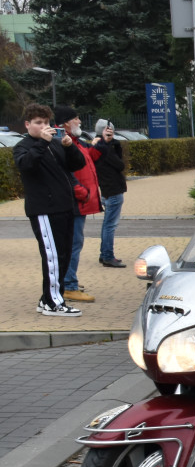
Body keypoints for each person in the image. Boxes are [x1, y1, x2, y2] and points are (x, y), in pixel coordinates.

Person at [13, 102, 87, 316]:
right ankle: (54, 302)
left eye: (46, 122)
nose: (43, 126)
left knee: (63, 255)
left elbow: (78, 164)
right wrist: (42, 143)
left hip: (65, 207)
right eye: (38, 123)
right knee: (53, 257)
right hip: (44, 210)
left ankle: (48, 299)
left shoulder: (55, 144)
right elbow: (27, 165)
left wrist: (69, 146)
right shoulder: (24, 146)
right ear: (28, 124)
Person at [55, 105, 101, 302]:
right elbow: (64, 172)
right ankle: (69, 285)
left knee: (73, 243)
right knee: (73, 244)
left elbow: (91, 159)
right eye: (76, 119)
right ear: (66, 123)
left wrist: (105, 143)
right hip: (74, 201)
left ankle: (67, 280)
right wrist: (81, 192)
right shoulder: (62, 142)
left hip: (80, 200)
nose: (80, 122)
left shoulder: (76, 141)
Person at [92, 119, 127, 267]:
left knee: (107, 224)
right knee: (110, 225)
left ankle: (104, 254)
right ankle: (107, 255)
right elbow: (119, 164)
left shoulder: (97, 146)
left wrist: (113, 143)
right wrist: (110, 145)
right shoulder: (103, 149)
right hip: (113, 190)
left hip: (106, 190)